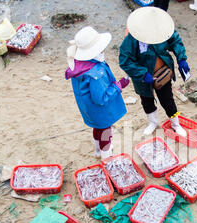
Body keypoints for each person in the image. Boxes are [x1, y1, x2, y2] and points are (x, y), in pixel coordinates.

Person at [119, 7, 189, 137]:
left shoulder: (164, 29)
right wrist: (142, 74)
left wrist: (181, 59)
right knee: (146, 100)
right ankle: (153, 122)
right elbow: (125, 60)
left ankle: (175, 124)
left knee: (168, 100)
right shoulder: (132, 38)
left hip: (163, 74)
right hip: (142, 78)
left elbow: (175, 41)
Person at [65, 26, 129, 159]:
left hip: (88, 108)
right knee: (106, 132)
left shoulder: (78, 64)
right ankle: (106, 158)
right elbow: (101, 98)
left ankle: (98, 151)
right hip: (100, 110)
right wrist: (119, 85)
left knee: (97, 128)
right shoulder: (96, 73)